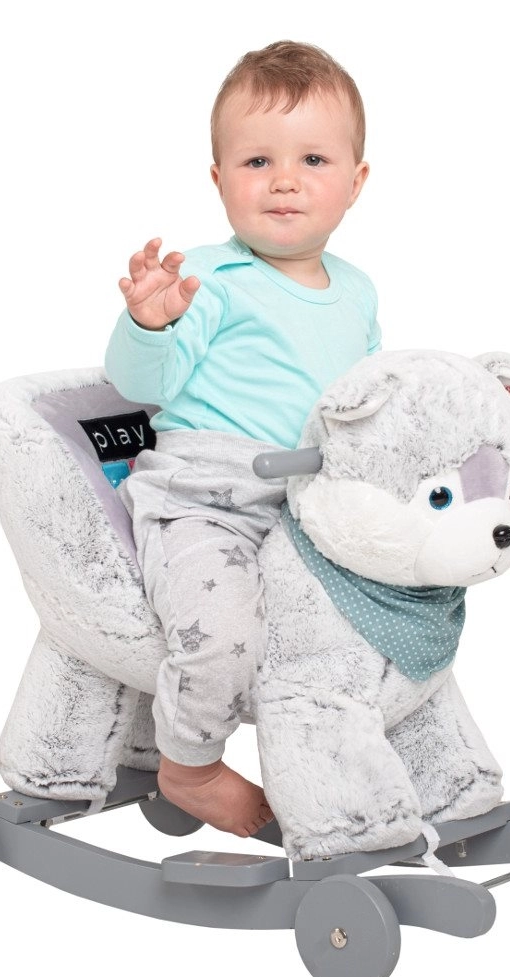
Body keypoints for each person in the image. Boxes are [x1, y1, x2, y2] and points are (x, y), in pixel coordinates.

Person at [106, 41, 379, 837]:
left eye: (313, 159)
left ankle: (372, 764)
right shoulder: (209, 280)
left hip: (309, 512)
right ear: (219, 178)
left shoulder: (358, 292)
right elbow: (140, 384)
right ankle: (189, 766)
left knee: (378, 618)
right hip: (209, 502)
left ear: (356, 181)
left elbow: (369, 401)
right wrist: (149, 324)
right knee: (220, 630)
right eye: (258, 160)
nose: (284, 180)